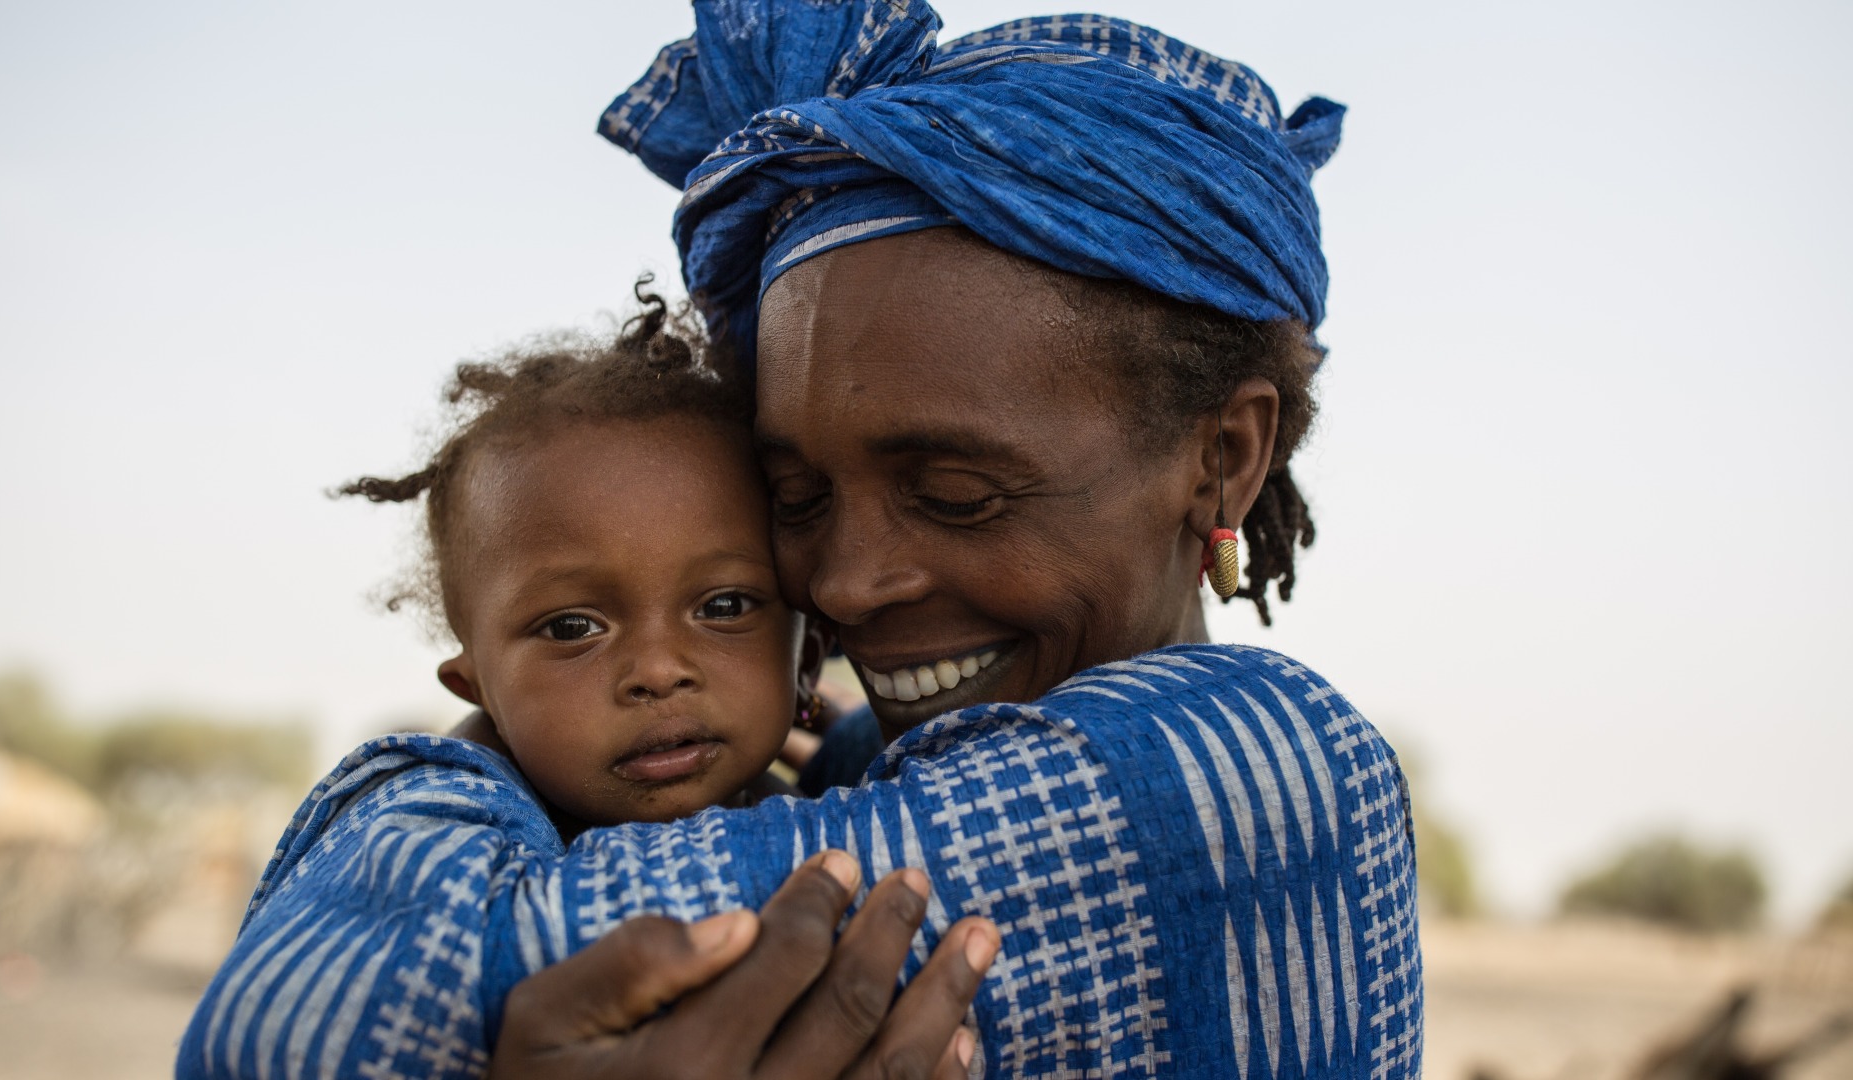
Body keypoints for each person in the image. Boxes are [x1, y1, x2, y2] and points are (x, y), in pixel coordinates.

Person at [181, 3, 1424, 1077]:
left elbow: (307, 1018)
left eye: (956, 493)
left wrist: (477, 745)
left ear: (1225, 455)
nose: (841, 581)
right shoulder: (849, 773)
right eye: (796, 496)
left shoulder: (1245, 771)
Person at [334, 298, 819, 834]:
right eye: (572, 628)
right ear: (478, 693)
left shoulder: (851, 824)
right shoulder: (445, 855)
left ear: (806, 662)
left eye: (723, 607)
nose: (658, 673)